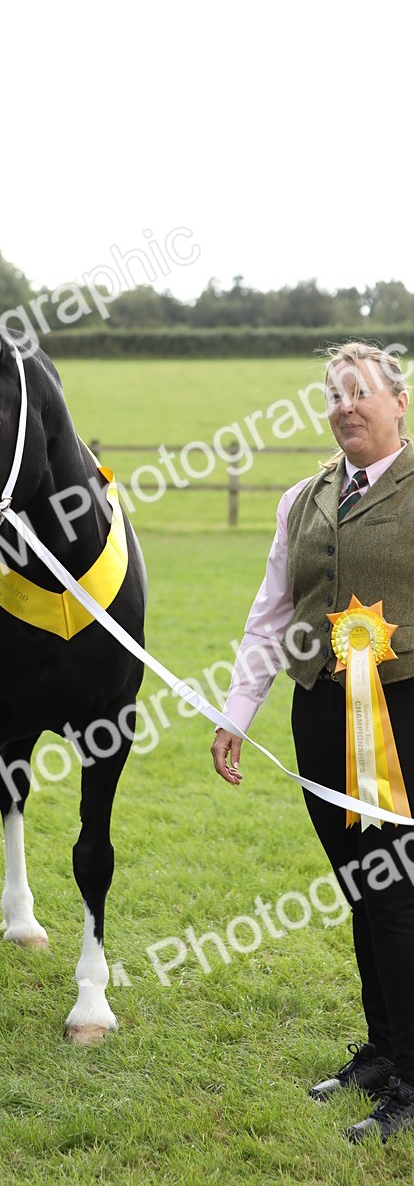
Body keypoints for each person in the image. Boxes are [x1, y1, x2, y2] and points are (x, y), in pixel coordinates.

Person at [211, 341, 414, 1144]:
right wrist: (237, 712)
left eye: (361, 392)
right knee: (360, 888)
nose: (346, 407)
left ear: (399, 401)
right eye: (334, 395)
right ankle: (383, 1049)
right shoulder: (302, 498)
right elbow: (270, 615)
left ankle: (411, 1077)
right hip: (320, 717)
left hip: (404, 717)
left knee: (396, 894)